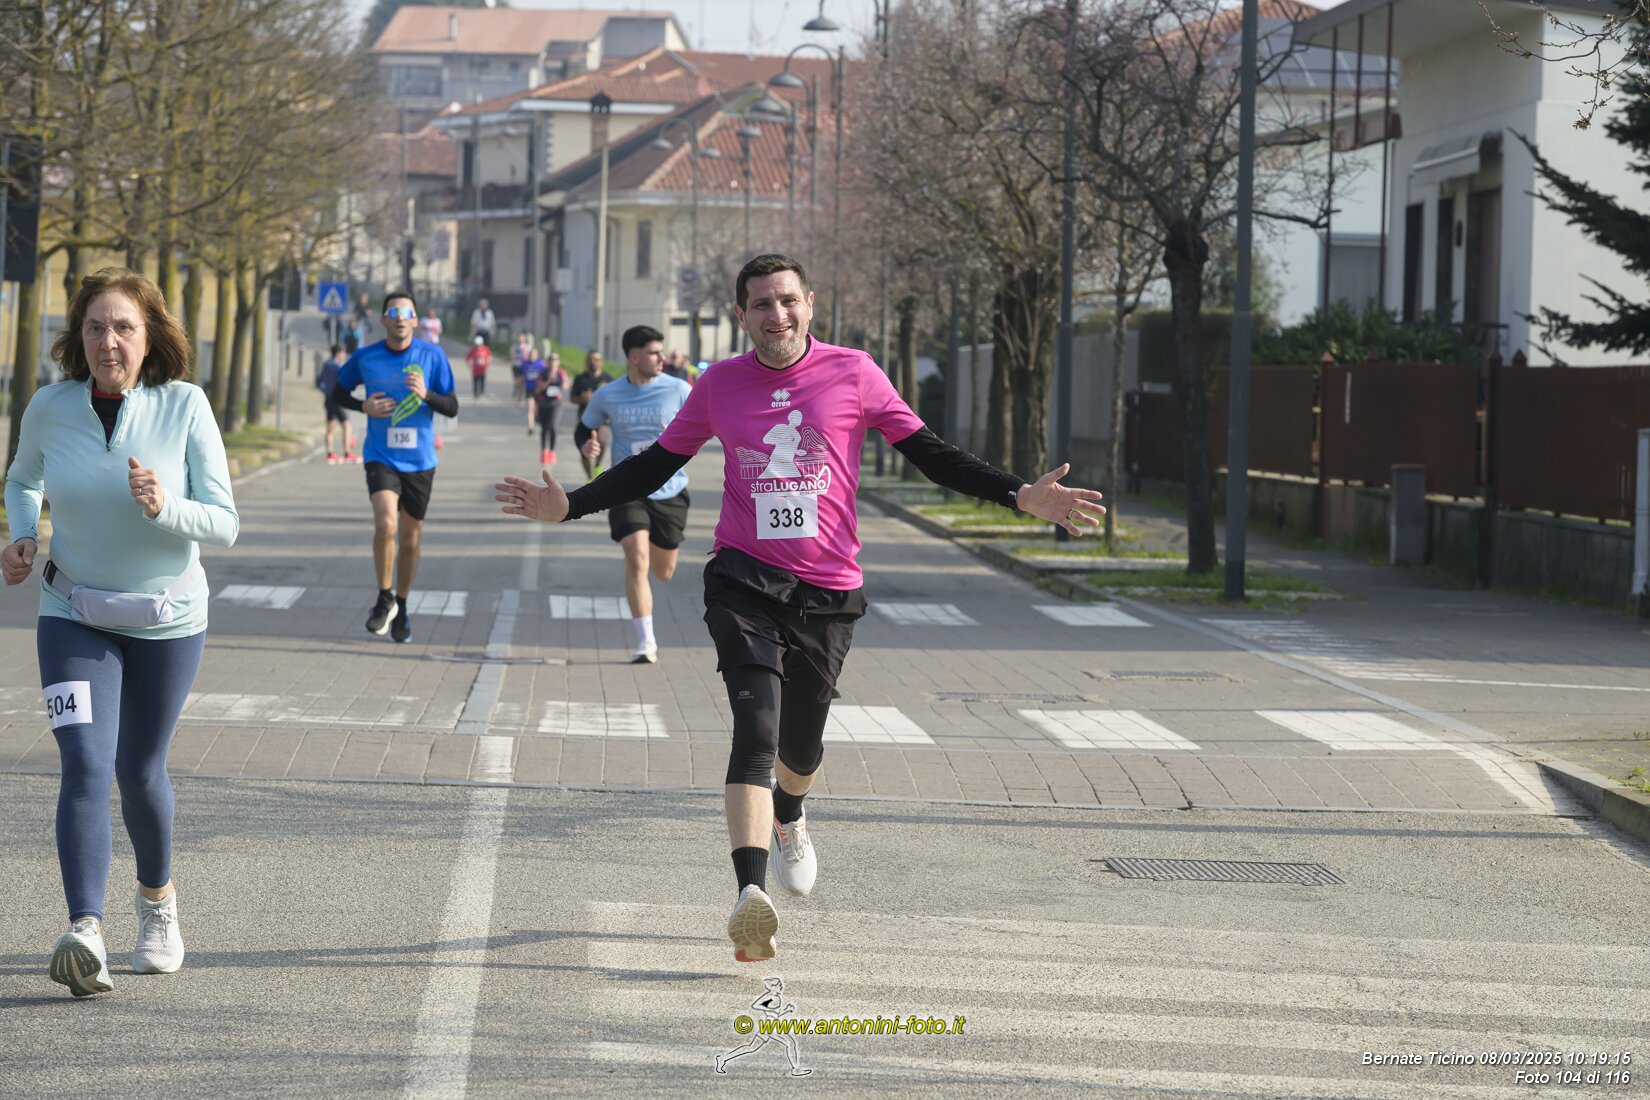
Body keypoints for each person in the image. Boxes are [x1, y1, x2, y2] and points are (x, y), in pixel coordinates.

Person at [495, 254, 1104, 962]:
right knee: (755, 730)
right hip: (743, 580)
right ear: (741, 316)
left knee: (800, 750)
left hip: (828, 591)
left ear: (810, 304)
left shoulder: (855, 372)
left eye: (787, 301)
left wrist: (1018, 495)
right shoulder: (719, 384)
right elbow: (657, 463)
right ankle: (750, 897)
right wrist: (571, 504)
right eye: (761, 304)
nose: (776, 315)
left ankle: (790, 811)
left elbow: (930, 453)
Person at [2, 267, 240, 997]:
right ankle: (86, 932)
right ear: (78, 336)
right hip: (72, 611)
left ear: (150, 336)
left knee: (138, 771)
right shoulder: (50, 406)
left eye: (124, 328)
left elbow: (224, 524)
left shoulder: (185, 405)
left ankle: (157, 903)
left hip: (168, 620)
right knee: (83, 762)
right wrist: (22, 533)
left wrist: (166, 506)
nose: (109, 341)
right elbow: (22, 479)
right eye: (96, 327)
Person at [331, 291, 459, 644]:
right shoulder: (366, 357)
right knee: (386, 522)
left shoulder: (432, 356)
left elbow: (452, 406)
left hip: (420, 461)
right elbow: (337, 392)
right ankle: (384, 596)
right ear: (384, 319)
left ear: (415, 320)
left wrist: (426, 394)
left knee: (410, 539)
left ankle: (401, 605)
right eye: (394, 312)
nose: (401, 318)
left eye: (407, 312)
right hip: (380, 455)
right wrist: (363, 407)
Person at [574, 326, 692, 664]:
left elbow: (707, 424)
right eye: (655, 353)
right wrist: (586, 445)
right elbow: (584, 427)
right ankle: (646, 642)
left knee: (663, 571)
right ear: (634, 357)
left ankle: (649, 555)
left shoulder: (679, 389)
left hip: (670, 489)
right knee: (637, 558)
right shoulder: (608, 394)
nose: (662, 358)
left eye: (662, 351)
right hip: (626, 487)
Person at [569, 349, 609, 478]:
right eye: (590, 359)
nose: (593, 362)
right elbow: (572, 398)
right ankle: (590, 477)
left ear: (601, 362)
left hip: (603, 420)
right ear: (586, 361)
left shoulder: (608, 379)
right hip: (584, 420)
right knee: (584, 449)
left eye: (596, 359)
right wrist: (584, 399)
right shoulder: (580, 379)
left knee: (602, 441)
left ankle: (597, 465)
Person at [316, 344, 357, 464]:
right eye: (343, 352)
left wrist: (326, 391)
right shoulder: (338, 367)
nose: (344, 355)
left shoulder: (326, 364)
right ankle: (347, 452)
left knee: (330, 427)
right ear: (338, 353)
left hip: (328, 399)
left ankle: (330, 453)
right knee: (347, 424)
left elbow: (319, 382)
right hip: (337, 399)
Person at [533, 349, 569, 467]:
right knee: (544, 428)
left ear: (558, 362)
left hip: (556, 403)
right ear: (548, 362)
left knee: (553, 426)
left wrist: (563, 384)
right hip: (544, 403)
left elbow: (566, 385)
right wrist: (548, 381)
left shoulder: (561, 373)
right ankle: (544, 451)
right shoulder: (543, 373)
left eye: (555, 359)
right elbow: (538, 389)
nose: (553, 361)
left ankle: (552, 452)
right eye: (551, 359)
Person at [520, 339, 546, 435]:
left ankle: (537, 417)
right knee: (530, 407)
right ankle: (530, 427)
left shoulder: (541, 364)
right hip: (529, 389)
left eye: (533, 354)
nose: (531, 356)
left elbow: (545, 375)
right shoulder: (525, 364)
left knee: (537, 408)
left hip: (539, 389)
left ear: (537, 355)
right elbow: (522, 375)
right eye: (530, 354)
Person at [510, 331, 532, 405]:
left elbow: (529, 357)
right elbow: (512, 356)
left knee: (522, 382)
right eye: (519, 337)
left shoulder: (528, 347)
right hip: (516, 365)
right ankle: (515, 394)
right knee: (517, 380)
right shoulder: (514, 347)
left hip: (524, 366)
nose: (520, 338)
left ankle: (520, 396)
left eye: (522, 337)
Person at [466, 334, 491, 399]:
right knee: (475, 381)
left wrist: (488, 363)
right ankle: (475, 392)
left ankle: (481, 391)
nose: (478, 346)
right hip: (475, 369)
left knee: (482, 380)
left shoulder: (486, 349)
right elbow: (468, 357)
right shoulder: (473, 350)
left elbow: (489, 357)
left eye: (479, 344)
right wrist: (469, 363)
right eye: (477, 344)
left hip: (483, 369)